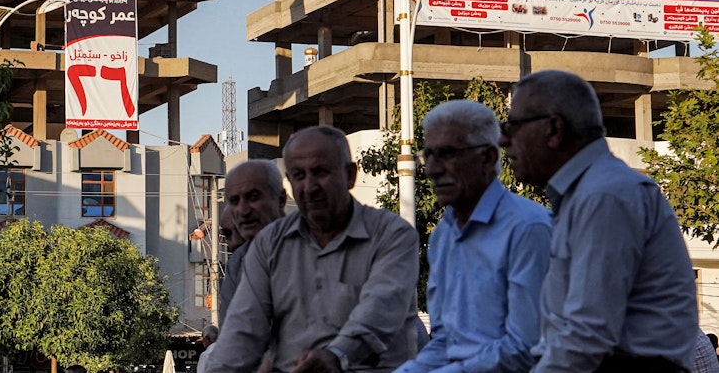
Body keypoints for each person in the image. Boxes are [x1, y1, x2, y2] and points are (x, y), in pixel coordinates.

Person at [499, 69, 697, 372]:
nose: (503, 140)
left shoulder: (604, 196)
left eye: (513, 125)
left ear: (553, 129)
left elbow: (585, 337)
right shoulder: (585, 194)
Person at [206, 126, 420, 373]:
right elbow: (241, 335)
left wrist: (337, 356)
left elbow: (380, 311)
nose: (309, 187)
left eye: (319, 172)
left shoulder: (392, 234)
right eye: (298, 175)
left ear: (350, 175)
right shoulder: (268, 244)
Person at [396, 100, 552, 372]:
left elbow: (526, 348)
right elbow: (446, 340)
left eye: (446, 153)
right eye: (428, 155)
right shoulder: (443, 235)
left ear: (488, 158)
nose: (432, 169)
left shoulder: (527, 228)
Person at [218, 160, 286, 326]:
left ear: (281, 199)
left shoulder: (313, 245)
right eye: (234, 201)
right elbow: (233, 336)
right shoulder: (237, 264)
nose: (243, 210)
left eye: (253, 197)